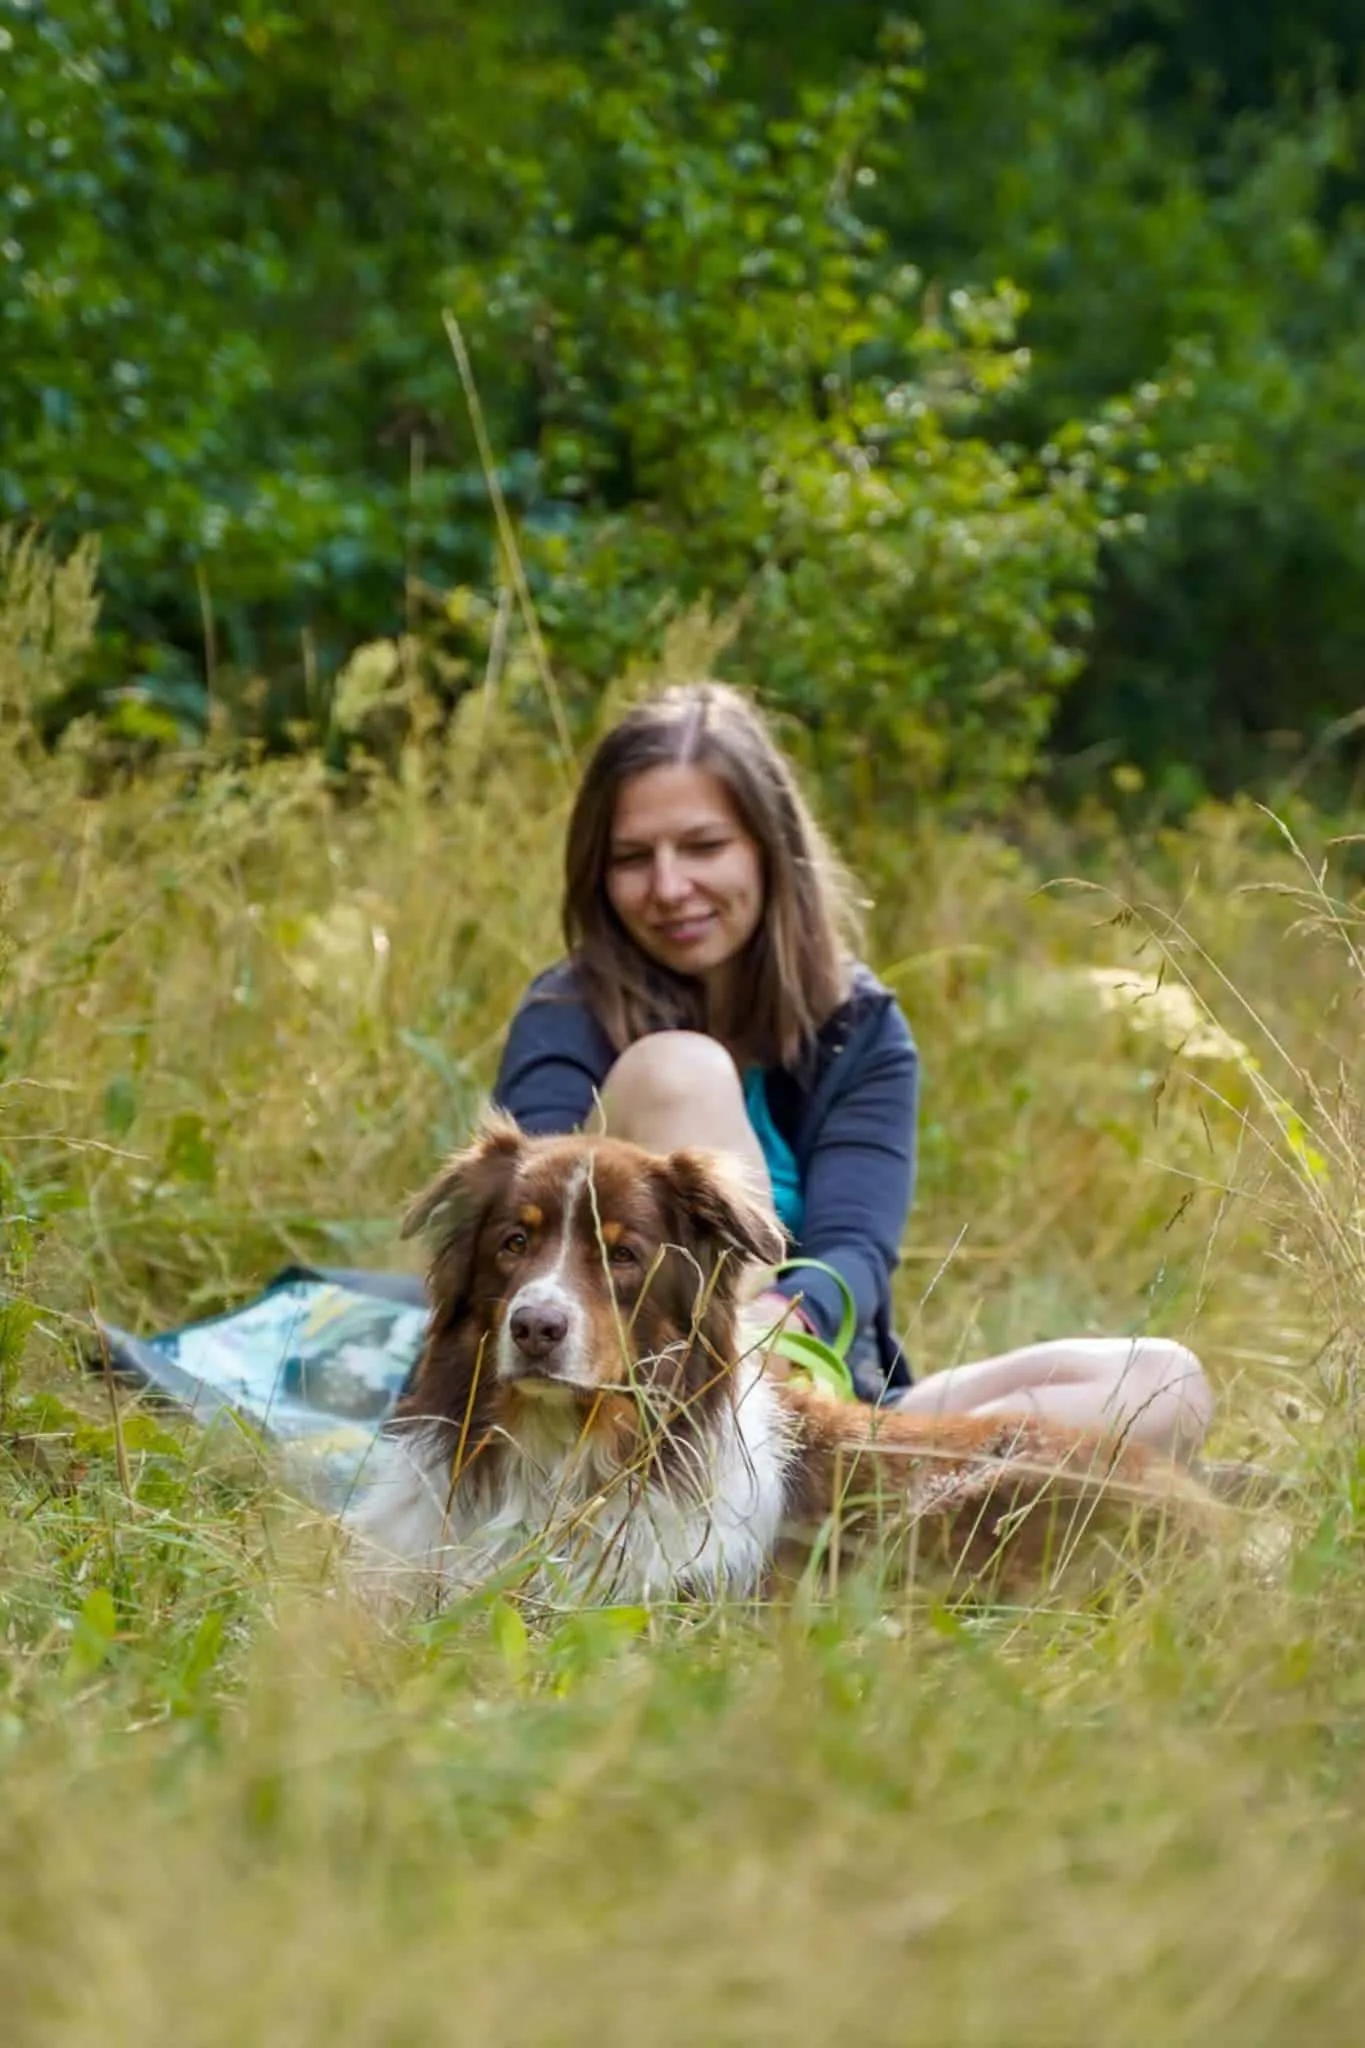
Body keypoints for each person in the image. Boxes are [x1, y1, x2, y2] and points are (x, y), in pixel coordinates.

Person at [492, 680, 1213, 1461]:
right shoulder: (566, 1013)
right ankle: (796, 1481)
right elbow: (519, 1219)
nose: (669, 887)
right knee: (679, 1070)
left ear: (769, 849)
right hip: (627, 1409)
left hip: (833, 1397)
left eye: (702, 847)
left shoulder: (858, 1028)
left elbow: (853, 1251)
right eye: (633, 858)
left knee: (1165, 1385)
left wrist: (786, 1322)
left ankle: (873, 1496)